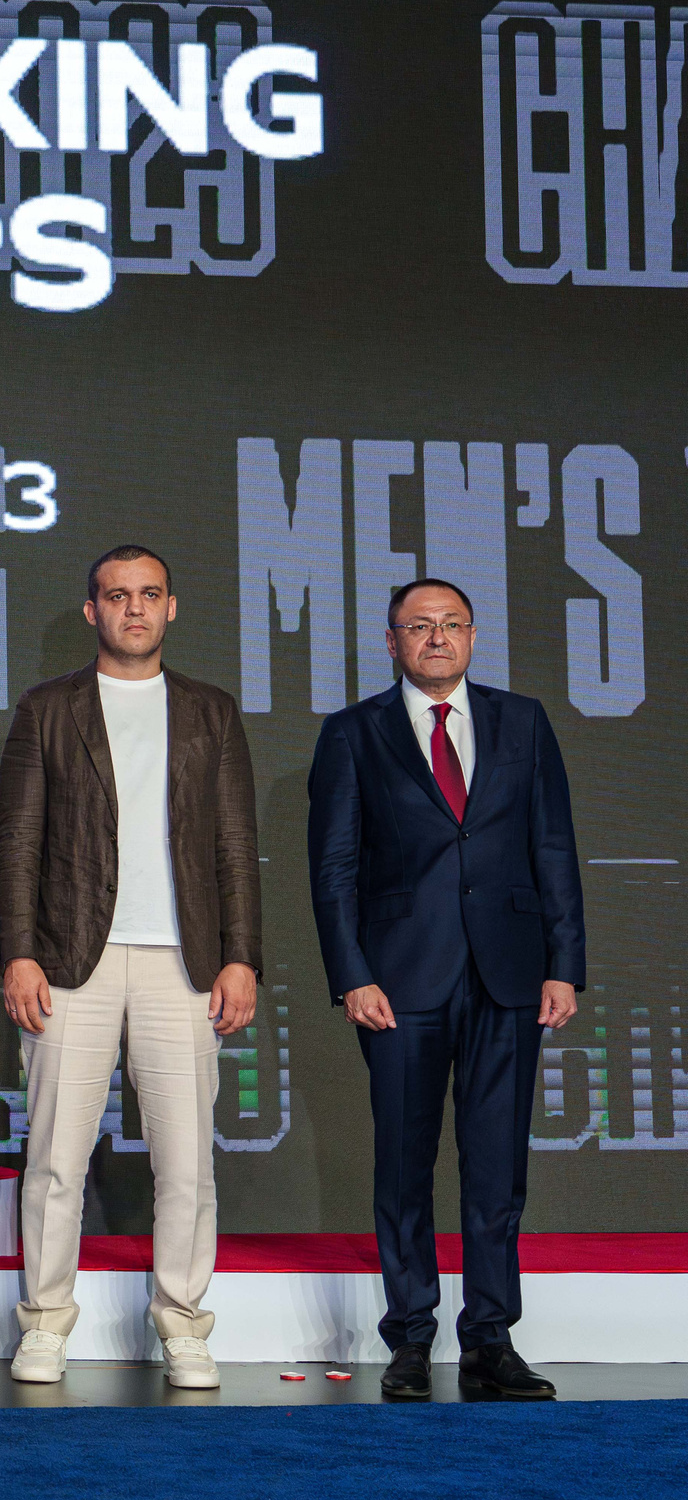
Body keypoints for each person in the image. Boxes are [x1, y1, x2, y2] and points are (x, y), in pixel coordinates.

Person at [307, 578, 584, 1401]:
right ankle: (410, 1337)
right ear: (390, 641)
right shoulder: (354, 732)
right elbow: (334, 868)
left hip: (509, 973)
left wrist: (564, 961)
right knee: (403, 1163)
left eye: (451, 624)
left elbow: (556, 847)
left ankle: (490, 1339)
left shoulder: (523, 722)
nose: (437, 638)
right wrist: (351, 972)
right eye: (418, 626)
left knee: (497, 1167)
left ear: (473, 635)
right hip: (398, 979)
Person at [0, 545, 259, 1390]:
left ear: (172, 608)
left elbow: (235, 846)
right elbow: (18, 843)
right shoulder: (48, 709)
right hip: (73, 959)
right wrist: (19, 951)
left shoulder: (211, 712)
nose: (134, 609)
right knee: (56, 1161)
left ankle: (183, 1324)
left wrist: (242, 957)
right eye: (117, 595)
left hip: (185, 963)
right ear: (92, 610)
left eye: (149, 595)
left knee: (187, 1165)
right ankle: (44, 1324)